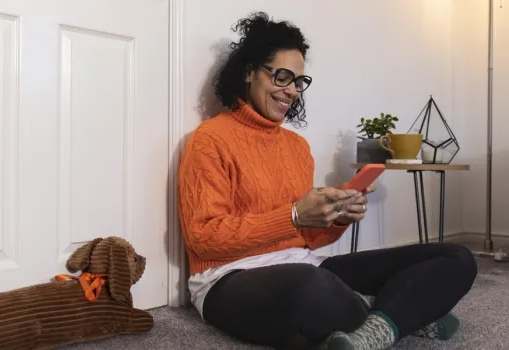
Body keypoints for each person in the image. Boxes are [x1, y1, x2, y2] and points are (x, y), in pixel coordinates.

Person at [177, 11, 477, 350]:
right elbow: (202, 237)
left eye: (298, 82)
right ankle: (401, 312)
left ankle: (369, 331)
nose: (291, 91)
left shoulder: (297, 147)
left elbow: (309, 240)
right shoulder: (210, 139)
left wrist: (338, 216)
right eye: (281, 77)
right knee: (310, 286)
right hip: (227, 278)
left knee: (457, 258)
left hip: (305, 263)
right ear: (249, 72)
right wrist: (292, 215)